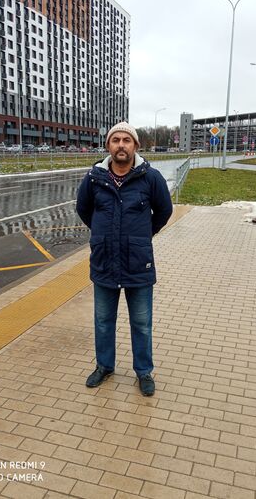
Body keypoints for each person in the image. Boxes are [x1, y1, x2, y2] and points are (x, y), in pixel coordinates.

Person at [76, 121, 173, 396]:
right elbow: (83, 209)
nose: (121, 145)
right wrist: (102, 235)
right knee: (103, 321)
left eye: (126, 140)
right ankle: (104, 366)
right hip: (104, 261)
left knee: (141, 323)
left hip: (138, 262)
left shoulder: (150, 178)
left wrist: (143, 234)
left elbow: (164, 211)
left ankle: (144, 371)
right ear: (108, 145)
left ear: (135, 146)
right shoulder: (94, 178)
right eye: (115, 140)